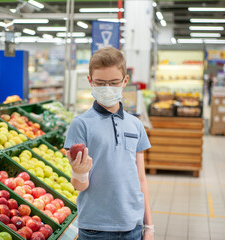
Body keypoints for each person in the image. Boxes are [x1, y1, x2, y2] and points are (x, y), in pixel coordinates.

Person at [64, 47, 154, 240]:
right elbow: (79, 186)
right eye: (100, 83)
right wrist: (78, 172)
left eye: (113, 83)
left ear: (125, 82)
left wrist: (149, 226)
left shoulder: (136, 125)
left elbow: (141, 179)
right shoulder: (80, 125)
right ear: (90, 81)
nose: (107, 88)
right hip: (96, 228)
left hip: (133, 226)